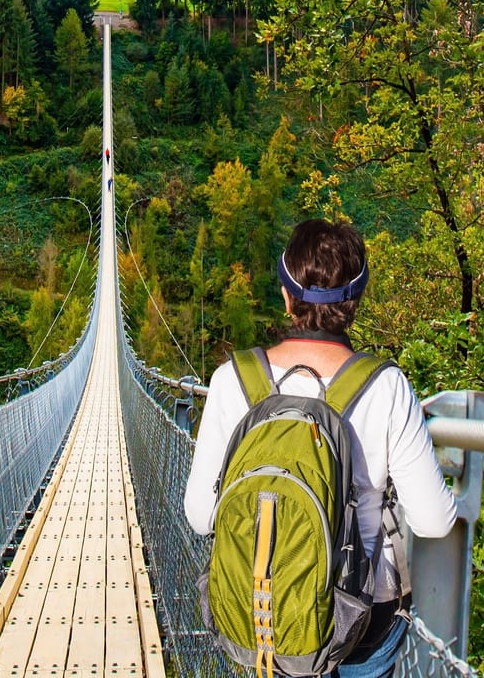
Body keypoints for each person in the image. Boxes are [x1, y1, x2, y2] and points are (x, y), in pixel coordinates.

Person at [184, 218, 458, 677]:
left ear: (287, 295)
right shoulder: (386, 387)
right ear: (355, 300)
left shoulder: (233, 381)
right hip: (360, 621)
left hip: (261, 610)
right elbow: (432, 522)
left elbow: (199, 514)